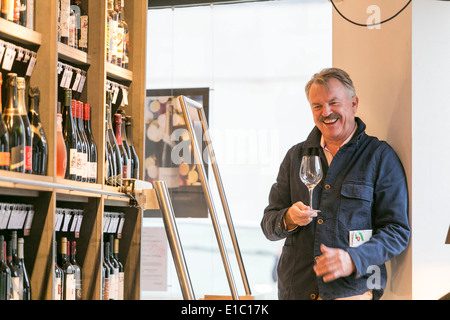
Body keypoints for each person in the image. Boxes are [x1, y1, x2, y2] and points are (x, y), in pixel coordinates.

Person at [261, 67, 410, 300]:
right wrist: (288, 218)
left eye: (334, 103)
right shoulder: (295, 156)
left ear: (353, 104)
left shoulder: (379, 157)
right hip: (296, 291)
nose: (326, 112)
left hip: (353, 292)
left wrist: (353, 259)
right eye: (317, 106)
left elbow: (397, 231)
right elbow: (268, 225)